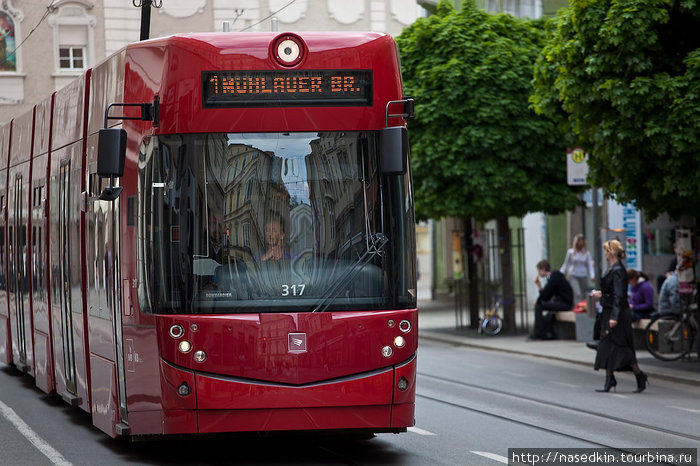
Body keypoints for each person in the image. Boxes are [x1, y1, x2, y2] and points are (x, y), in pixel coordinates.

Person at [590, 240, 647, 393]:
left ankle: (639, 375)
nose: (605, 254)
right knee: (607, 345)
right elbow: (613, 292)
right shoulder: (613, 269)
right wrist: (601, 294)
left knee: (621, 346)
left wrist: (614, 317)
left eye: (606, 251)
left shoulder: (618, 270)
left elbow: (619, 296)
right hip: (610, 311)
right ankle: (610, 379)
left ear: (611, 253)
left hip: (618, 313)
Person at [530, 259, 573, 340]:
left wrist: (538, 301)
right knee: (548, 314)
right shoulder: (553, 277)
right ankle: (545, 333)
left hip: (565, 303)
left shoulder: (554, 276)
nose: (538, 273)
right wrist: (539, 286)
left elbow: (546, 294)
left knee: (539, 306)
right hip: (563, 302)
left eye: (538, 270)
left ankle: (538, 332)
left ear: (543, 269)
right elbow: (547, 295)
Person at [560, 234, 594, 304]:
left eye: (582, 241)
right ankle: (577, 307)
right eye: (579, 241)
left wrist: (592, 275)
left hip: (582, 275)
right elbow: (566, 263)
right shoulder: (571, 252)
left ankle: (582, 307)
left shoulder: (586, 253)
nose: (581, 243)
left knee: (582, 293)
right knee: (577, 292)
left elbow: (590, 265)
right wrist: (561, 273)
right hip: (573, 274)